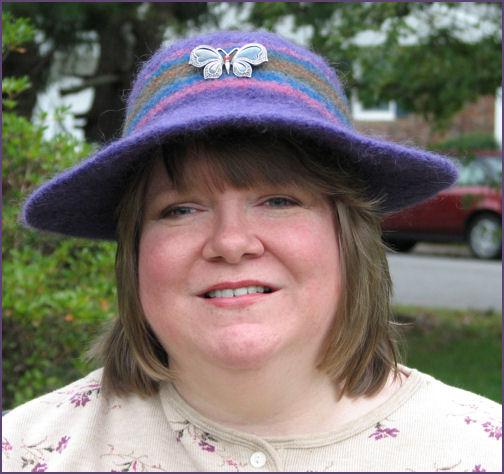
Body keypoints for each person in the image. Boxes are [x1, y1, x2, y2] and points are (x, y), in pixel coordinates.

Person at [2, 31, 501, 473]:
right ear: (133, 249)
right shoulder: (27, 453)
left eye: (279, 201)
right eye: (180, 209)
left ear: (349, 234)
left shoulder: (479, 449)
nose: (232, 242)